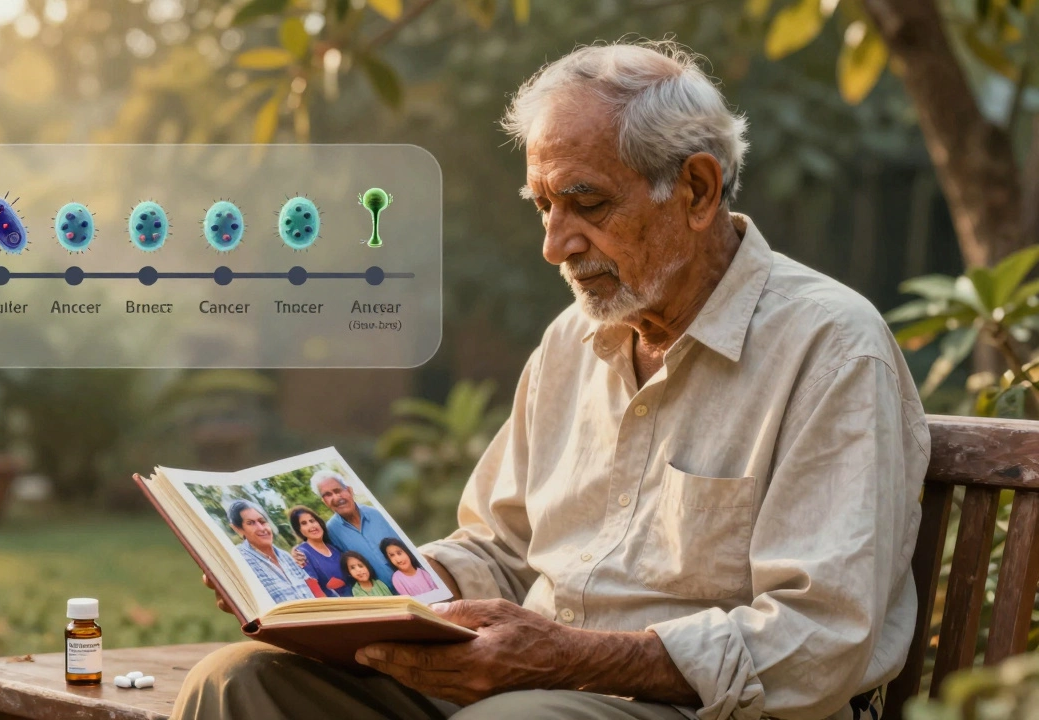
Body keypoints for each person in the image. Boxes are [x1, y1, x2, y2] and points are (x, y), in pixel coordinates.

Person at [182, 40, 928, 720]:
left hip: (710, 709)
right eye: (543, 206)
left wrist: (572, 658)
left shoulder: (831, 348)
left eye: (586, 203)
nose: (554, 245)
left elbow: (819, 637)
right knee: (242, 681)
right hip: (533, 691)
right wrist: (351, 591)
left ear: (698, 191)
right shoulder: (572, 341)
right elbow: (500, 550)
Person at [311, 469, 401, 583]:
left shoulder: (380, 513)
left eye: (338, 490)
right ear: (324, 502)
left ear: (349, 490)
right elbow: (319, 554)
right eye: (328, 495)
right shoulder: (330, 532)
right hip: (380, 592)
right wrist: (298, 554)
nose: (336, 498)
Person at [227, 499, 316, 605]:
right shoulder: (239, 560)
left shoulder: (286, 556)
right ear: (238, 529)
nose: (261, 528)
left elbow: (313, 589)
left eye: (262, 521)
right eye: (250, 523)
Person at [287, 505, 350, 598]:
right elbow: (316, 593)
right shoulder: (302, 554)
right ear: (299, 530)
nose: (311, 526)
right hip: (337, 605)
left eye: (312, 521)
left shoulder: (333, 547)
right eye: (304, 523)